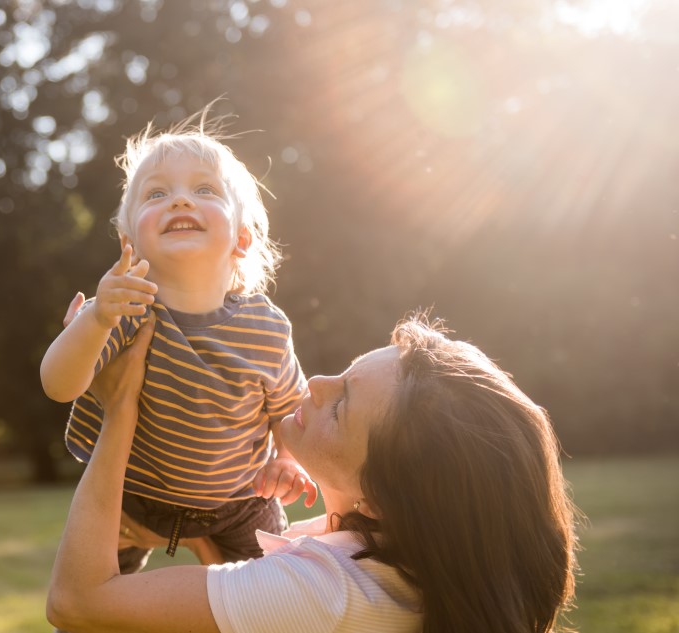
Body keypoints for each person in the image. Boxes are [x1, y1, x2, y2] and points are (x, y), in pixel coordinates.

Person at [47, 312, 578, 633]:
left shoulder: (327, 591)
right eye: (345, 373)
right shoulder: (401, 576)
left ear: (378, 499)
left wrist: (121, 408)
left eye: (341, 406)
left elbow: (77, 604)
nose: (316, 382)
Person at [40, 117, 314, 571]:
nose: (181, 199)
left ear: (241, 239)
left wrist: (285, 458)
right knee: (86, 607)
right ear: (130, 242)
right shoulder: (121, 308)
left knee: (280, 593)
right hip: (130, 496)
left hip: (239, 504)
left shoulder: (266, 329)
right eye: (156, 194)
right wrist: (93, 320)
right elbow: (58, 384)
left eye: (205, 190)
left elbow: (290, 409)